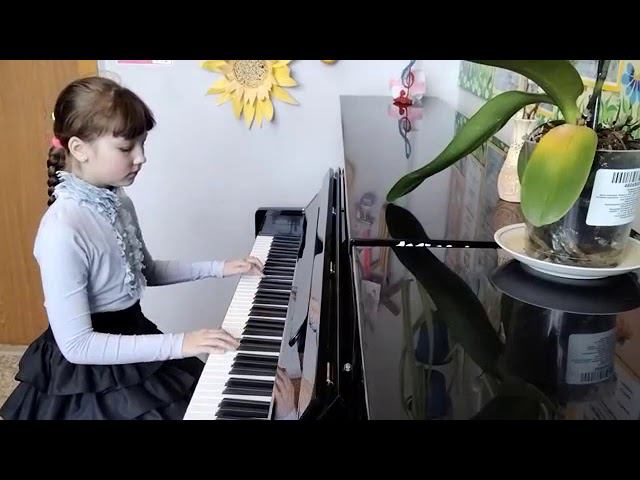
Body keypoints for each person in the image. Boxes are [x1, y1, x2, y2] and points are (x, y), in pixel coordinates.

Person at [0, 76, 264, 420]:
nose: (141, 157)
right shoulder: (62, 230)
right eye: (126, 148)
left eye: (142, 144)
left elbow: (146, 271)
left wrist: (219, 267)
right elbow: (78, 345)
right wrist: (183, 342)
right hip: (89, 370)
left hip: (135, 337)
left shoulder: (119, 203)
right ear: (79, 149)